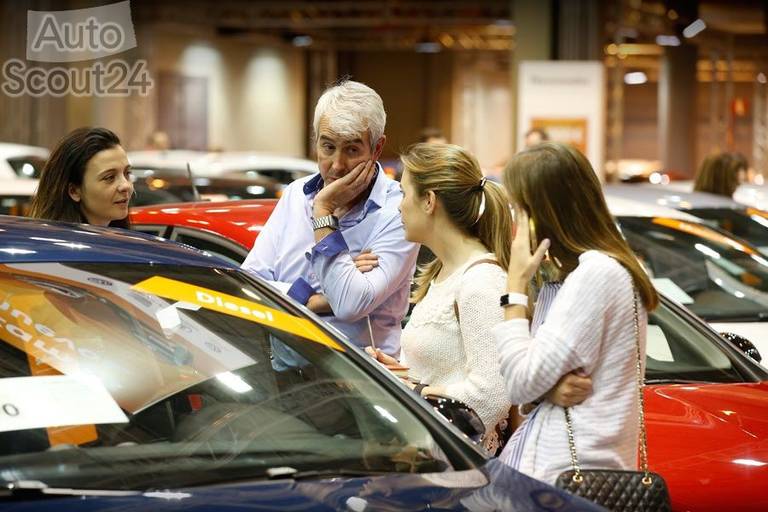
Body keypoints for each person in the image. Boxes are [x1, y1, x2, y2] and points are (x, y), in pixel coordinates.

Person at [493, 142, 658, 484]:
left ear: (542, 212)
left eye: (517, 209)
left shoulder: (596, 274)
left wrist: (515, 290)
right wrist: (545, 390)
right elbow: (533, 380)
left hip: (567, 477)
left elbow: (521, 381)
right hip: (565, 471)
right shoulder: (579, 276)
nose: (513, 222)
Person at [241, 80, 419, 356]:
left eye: (351, 150)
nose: (337, 166)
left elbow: (350, 304)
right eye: (327, 148)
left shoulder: (397, 210)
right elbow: (250, 283)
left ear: (377, 148)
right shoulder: (296, 195)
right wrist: (316, 300)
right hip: (284, 366)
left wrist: (323, 210)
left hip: (362, 381)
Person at [369, 142, 512, 451]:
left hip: (458, 465)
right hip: (430, 455)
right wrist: (395, 373)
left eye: (405, 194)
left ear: (429, 201)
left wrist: (415, 392)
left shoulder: (481, 281)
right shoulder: (443, 273)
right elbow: (444, 366)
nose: (399, 206)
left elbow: (492, 396)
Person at [29, 127, 133, 228]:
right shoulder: (56, 243)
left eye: (127, 173)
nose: (126, 185)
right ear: (74, 191)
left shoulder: (125, 240)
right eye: (110, 177)